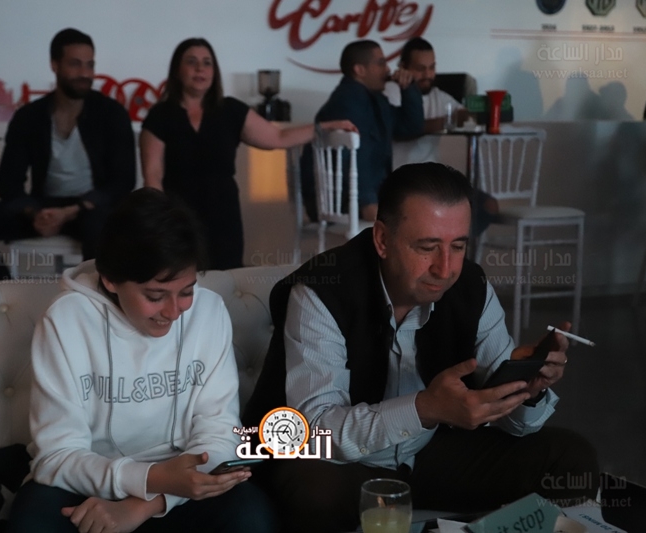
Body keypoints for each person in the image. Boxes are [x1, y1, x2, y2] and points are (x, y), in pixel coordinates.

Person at [243, 162, 598, 533]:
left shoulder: (470, 287)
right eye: (427, 247)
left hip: (428, 453)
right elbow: (315, 432)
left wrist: (526, 390)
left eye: (458, 246)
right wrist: (425, 408)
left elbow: (512, 424)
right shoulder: (321, 292)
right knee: (314, 489)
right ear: (382, 239)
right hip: (344, 464)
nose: (445, 269)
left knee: (570, 457)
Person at [8, 188, 278, 533]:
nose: (174, 311)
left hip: (182, 483)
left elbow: (219, 434)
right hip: (88, 478)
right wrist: (148, 478)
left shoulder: (209, 311)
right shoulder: (66, 320)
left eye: (186, 292)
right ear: (110, 279)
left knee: (252, 515)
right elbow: (57, 456)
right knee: (31, 523)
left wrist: (146, 504)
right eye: (155, 296)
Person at [140, 37, 355, 270]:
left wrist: (324, 126)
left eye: (207, 63)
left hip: (223, 217)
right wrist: (161, 224)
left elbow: (278, 137)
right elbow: (153, 176)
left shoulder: (230, 110)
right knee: (178, 276)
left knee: (226, 278)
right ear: (177, 70)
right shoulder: (160, 116)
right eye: (191, 61)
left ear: (214, 71)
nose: (200, 68)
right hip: (177, 218)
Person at [0, 28, 135, 281]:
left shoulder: (111, 113)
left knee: (104, 228)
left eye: (90, 65)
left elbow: (123, 181)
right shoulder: (29, 117)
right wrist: (33, 212)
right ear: (54, 65)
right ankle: (4, 292)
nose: (85, 73)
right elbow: (8, 182)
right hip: (43, 207)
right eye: (75, 64)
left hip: (91, 208)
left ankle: (92, 297)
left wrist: (73, 209)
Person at [301, 40, 425, 224]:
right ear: (359, 70)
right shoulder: (347, 102)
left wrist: (408, 89)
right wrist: (367, 203)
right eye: (381, 63)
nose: (387, 69)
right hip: (343, 202)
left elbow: (411, 127)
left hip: (362, 197)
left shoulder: (375, 100)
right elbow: (355, 156)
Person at [387, 36, 498, 236]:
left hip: (433, 178)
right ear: (403, 67)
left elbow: (465, 116)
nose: (427, 75)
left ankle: (453, 248)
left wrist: (481, 110)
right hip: (401, 179)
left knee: (488, 205)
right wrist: (448, 119)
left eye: (432, 68)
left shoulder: (440, 96)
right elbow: (402, 129)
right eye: (420, 69)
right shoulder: (392, 91)